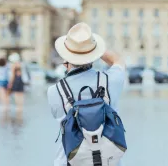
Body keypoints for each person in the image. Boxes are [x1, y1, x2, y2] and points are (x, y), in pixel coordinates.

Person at [47, 22, 126, 166]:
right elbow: (117, 60)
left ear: (66, 59)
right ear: (94, 55)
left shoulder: (54, 91)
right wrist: (94, 49)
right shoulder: (111, 80)